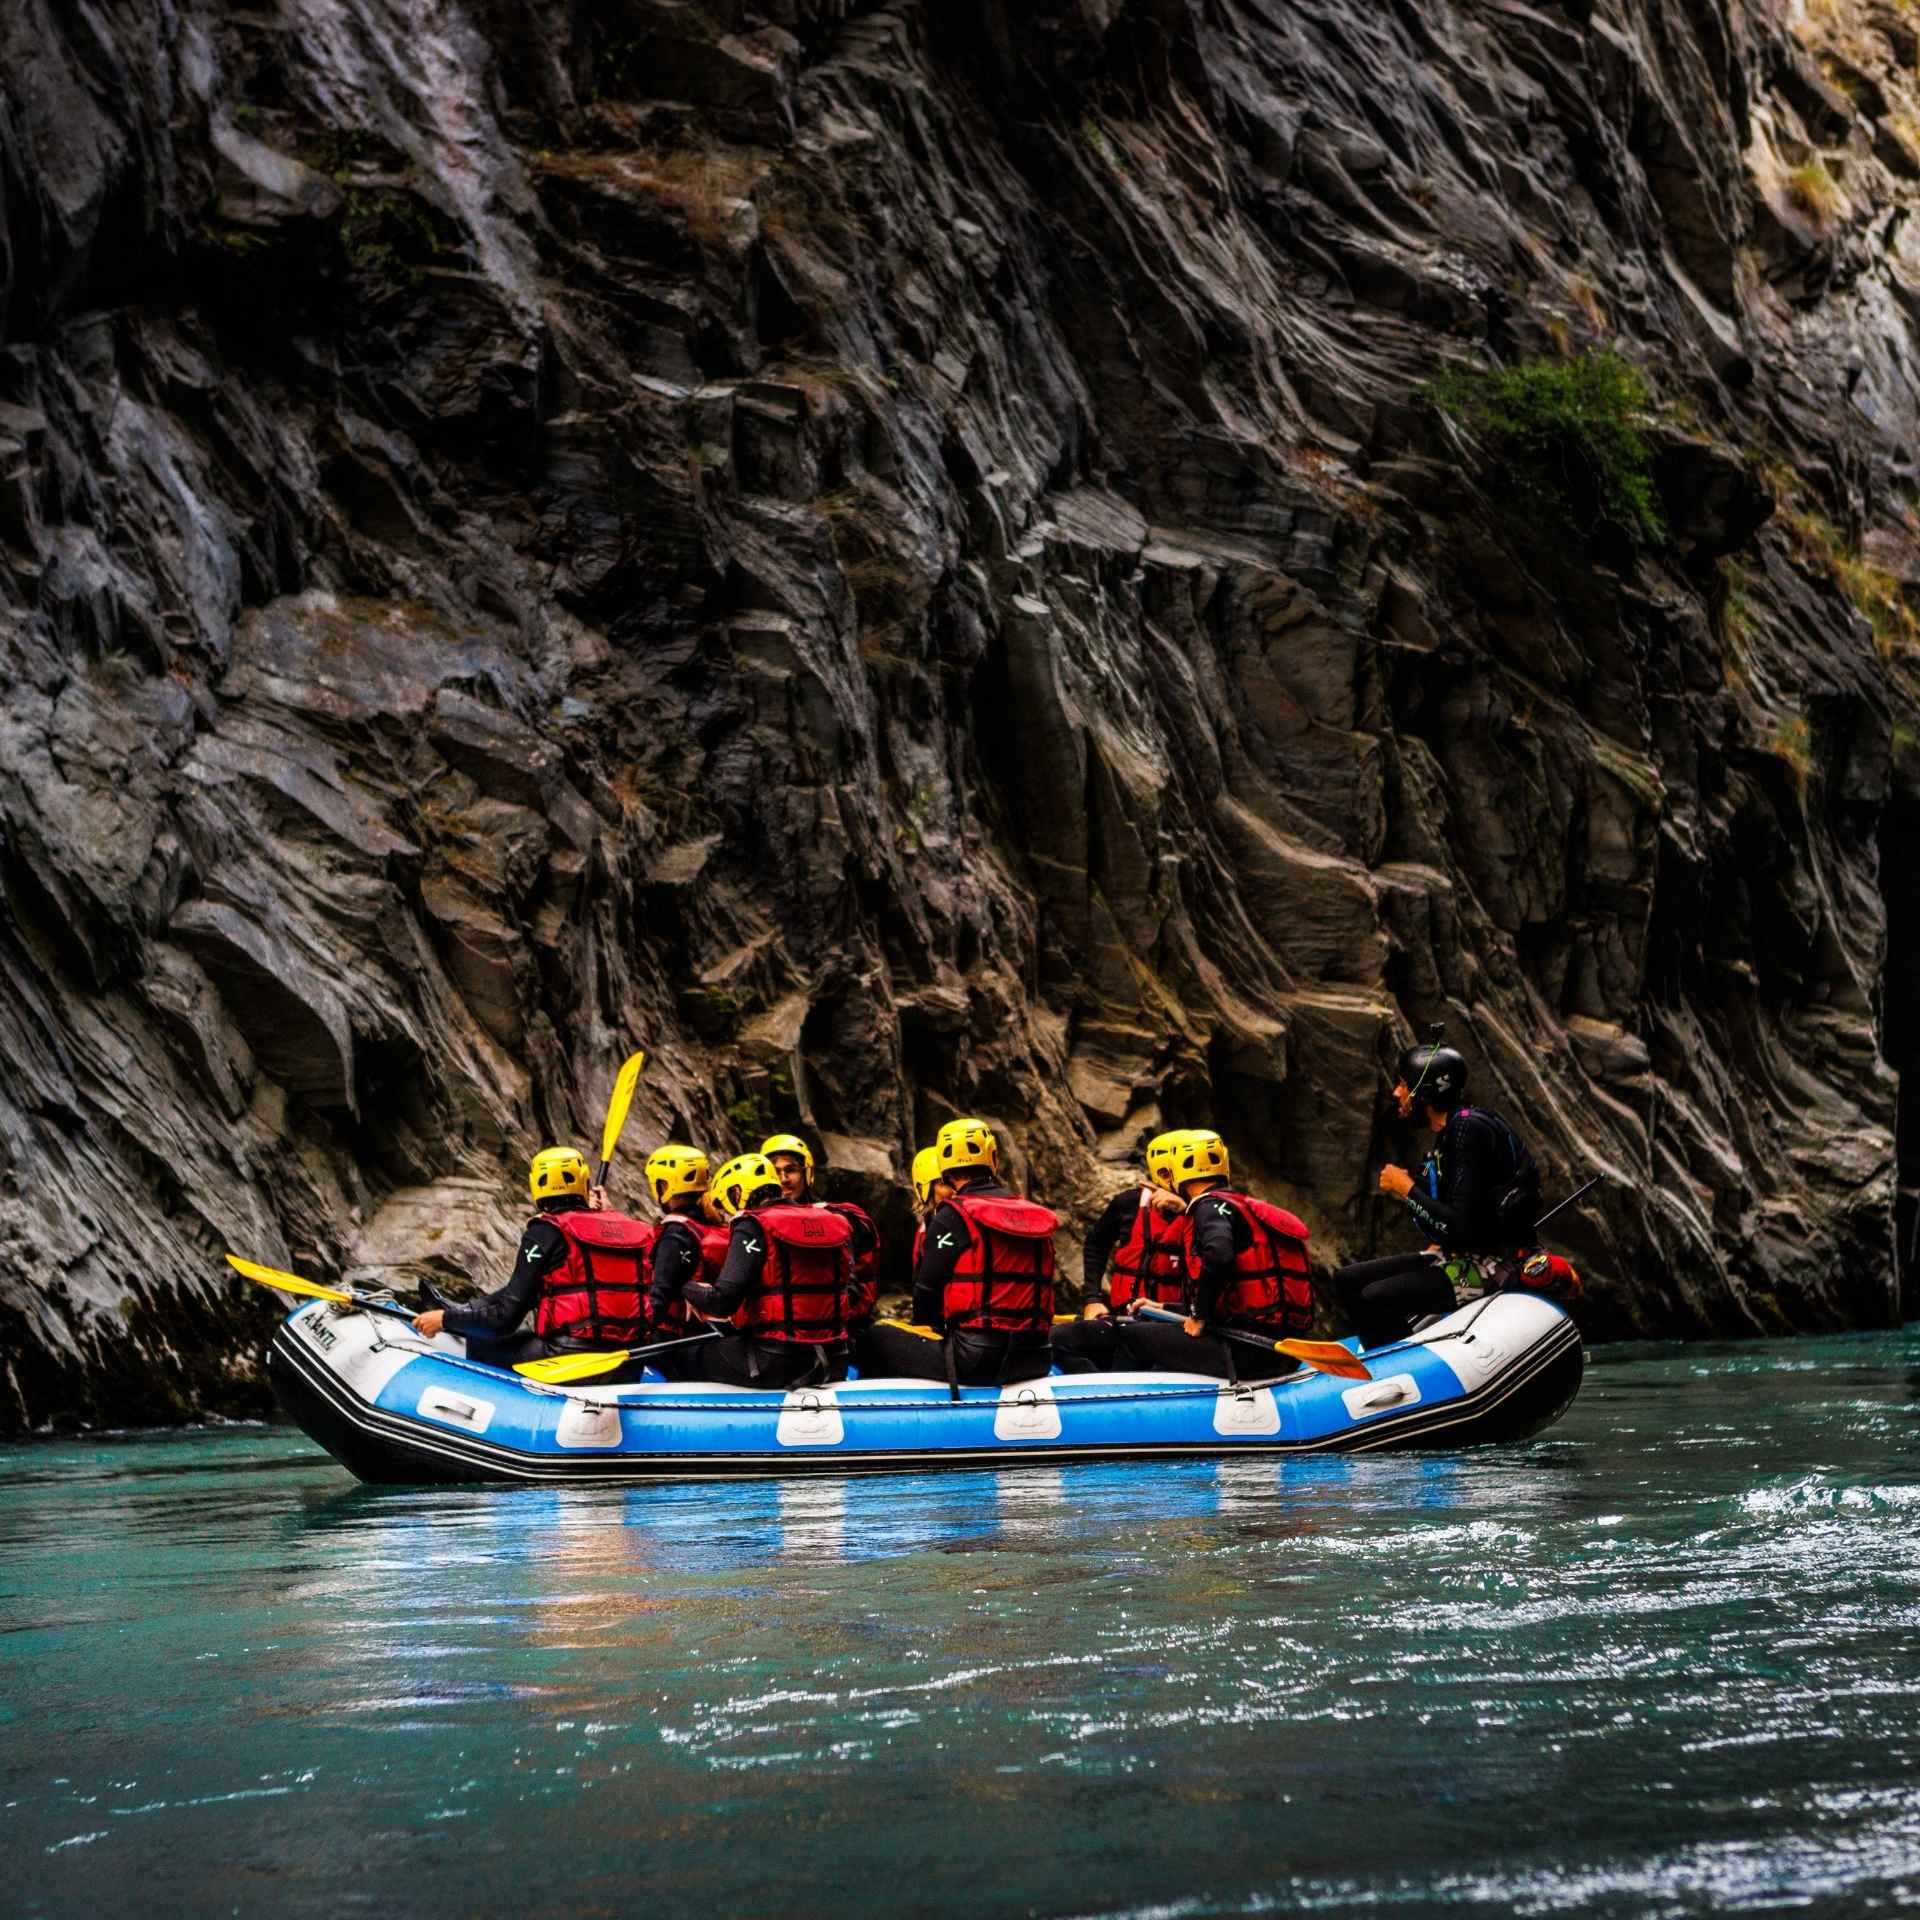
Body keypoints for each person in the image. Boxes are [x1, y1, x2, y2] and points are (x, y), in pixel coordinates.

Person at [1329, 1041, 1544, 1349]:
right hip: (1458, 1254)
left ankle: (1397, 1372)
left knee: (1375, 1297)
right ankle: (1388, 1346)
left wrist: (1405, 1188)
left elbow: (1460, 1226)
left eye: (1404, 1085)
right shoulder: (1453, 1133)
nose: (1396, 1094)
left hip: (1491, 1266)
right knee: (1347, 1279)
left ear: (1425, 1093)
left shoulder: (1466, 1130)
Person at [1074, 1130, 1308, 1379]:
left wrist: (1199, 1315)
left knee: (1131, 1338)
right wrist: (1163, 1306)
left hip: (1241, 1351)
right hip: (1275, 1345)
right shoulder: (1240, 1207)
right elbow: (1230, 1291)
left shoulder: (1206, 1209)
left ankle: (1117, 1407)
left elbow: (1218, 1258)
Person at [410, 1146, 653, 1370]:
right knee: (539, 1288)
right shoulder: (633, 1232)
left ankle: (458, 1315)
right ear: (585, 1183)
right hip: (627, 1363)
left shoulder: (547, 1232)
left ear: (536, 1185)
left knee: (482, 1341)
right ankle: (464, 1309)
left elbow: (504, 1320)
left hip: (571, 1361)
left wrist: (445, 1321)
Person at [859, 1118, 1057, 1387]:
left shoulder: (953, 1215)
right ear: (993, 1159)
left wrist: (928, 1332)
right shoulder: (1033, 1215)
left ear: (945, 1169)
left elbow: (926, 1290)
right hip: (1036, 1358)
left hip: (978, 1360)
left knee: (876, 1338)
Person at [681, 1151, 854, 1387]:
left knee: (688, 1353)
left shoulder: (752, 1225)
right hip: (836, 1358)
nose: (727, 1212)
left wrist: (688, 1288)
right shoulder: (834, 1221)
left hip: (777, 1363)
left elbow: (723, 1302)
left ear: (737, 1192)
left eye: (725, 1204)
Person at [1052, 1129, 1193, 1373]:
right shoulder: (1128, 1203)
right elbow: (1095, 1245)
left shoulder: (1205, 1213)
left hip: (1176, 1325)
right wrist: (1093, 1299)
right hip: (1124, 1319)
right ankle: (1095, 1389)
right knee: (1056, 1340)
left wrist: (1186, 1210)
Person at [761, 1132, 881, 1339]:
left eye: (791, 1170)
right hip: (784, 1333)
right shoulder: (761, 1223)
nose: (783, 1179)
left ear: (806, 1173)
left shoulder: (833, 1220)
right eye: (776, 1172)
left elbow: (849, 1286)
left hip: (840, 1330)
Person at [643, 1143, 729, 1379]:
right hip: (709, 1337)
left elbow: (659, 1298)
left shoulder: (675, 1234)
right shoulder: (715, 1226)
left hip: (674, 1345)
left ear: (664, 1185)